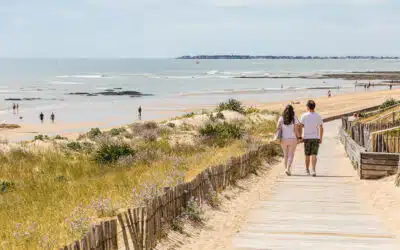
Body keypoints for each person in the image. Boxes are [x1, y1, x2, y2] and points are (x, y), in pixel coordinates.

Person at [299, 100, 324, 177]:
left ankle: (307, 170)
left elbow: (300, 126)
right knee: (314, 155)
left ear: (307, 107)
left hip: (307, 138)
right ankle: (313, 170)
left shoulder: (304, 116)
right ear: (314, 107)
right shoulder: (318, 116)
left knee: (307, 155)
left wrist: (300, 136)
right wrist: (320, 138)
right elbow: (321, 127)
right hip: (315, 138)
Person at [276, 104, 301, 176]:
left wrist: (281, 126)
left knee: (285, 155)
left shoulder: (281, 118)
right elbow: (296, 130)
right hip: (292, 139)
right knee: (291, 155)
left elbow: (277, 127)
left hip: (283, 139)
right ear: (292, 111)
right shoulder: (294, 118)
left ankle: (286, 169)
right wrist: (299, 138)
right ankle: (288, 169)